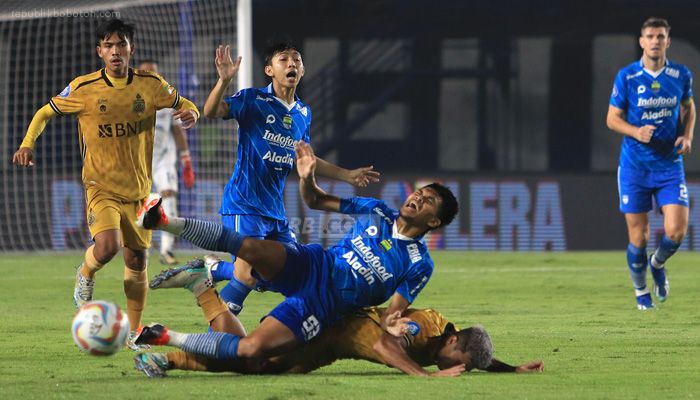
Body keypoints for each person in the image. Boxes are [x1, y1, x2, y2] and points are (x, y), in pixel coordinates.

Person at [133, 141, 458, 370]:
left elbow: (392, 313)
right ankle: (163, 221)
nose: (418, 196)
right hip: (314, 265)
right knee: (253, 249)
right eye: (420, 191)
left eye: (428, 200)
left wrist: (397, 326)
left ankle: (166, 336)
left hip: (323, 304)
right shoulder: (376, 211)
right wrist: (306, 178)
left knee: (251, 349)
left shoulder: (418, 264)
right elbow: (317, 201)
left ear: (433, 222)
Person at [12, 19, 200, 341]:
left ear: (131, 48)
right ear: (99, 51)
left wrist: (192, 111)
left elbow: (183, 104)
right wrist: (28, 143)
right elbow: (45, 112)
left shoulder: (151, 84)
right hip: (100, 187)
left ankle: (135, 332)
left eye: (121, 45)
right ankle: (85, 272)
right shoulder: (84, 89)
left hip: (140, 192)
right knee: (108, 245)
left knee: (137, 260)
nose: (115, 52)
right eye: (109, 46)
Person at [201, 41, 380, 316]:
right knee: (247, 276)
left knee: (290, 271)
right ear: (269, 70)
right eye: (284, 59)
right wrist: (224, 81)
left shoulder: (303, 113)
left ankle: (213, 269)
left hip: (275, 210)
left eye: (296, 59)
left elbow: (304, 157)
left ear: (303, 69)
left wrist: (346, 174)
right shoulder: (253, 100)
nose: (292, 63)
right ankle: (214, 339)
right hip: (244, 203)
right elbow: (212, 111)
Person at [133, 281, 544, 378]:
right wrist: (422, 377)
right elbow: (385, 341)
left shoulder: (454, 343)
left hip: (331, 343)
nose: (452, 367)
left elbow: (472, 354)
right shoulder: (425, 329)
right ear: (451, 341)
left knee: (259, 359)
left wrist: (512, 371)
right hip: (326, 322)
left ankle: (203, 291)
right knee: (256, 357)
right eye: (457, 361)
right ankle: (166, 354)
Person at [606, 17, 695, 310]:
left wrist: (687, 135)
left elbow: (689, 107)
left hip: (669, 165)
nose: (655, 41)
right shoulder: (628, 77)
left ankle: (657, 265)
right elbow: (612, 119)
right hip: (634, 167)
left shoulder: (680, 74)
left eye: (660, 36)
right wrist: (636, 131)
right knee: (639, 237)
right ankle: (641, 292)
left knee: (677, 232)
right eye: (650, 36)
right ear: (642, 42)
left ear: (667, 41)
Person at [138, 59, 196, 266]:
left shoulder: (167, 100)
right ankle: (140, 249)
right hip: (139, 160)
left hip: (163, 159)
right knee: (139, 203)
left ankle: (166, 250)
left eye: (152, 72)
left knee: (168, 197)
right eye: (145, 72)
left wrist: (186, 160)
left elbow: (178, 130)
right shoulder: (130, 101)